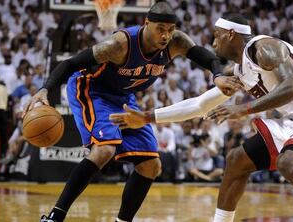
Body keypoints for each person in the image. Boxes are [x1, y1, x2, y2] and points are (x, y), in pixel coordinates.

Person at [111, 13, 293, 222]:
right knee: (236, 160)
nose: (213, 41)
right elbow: (200, 105)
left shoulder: (265, 48)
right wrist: (147, 117)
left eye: (217, 36)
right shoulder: (240, 70)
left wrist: (243, 109)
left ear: (231, 34)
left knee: (288, 162)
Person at [23, 2, 241, 222]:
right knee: (104, 149)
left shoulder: (176, 42)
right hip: (91, 89)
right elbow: (70, 64)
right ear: (147, 24)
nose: (166, 35)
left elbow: (209, 58)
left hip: (123, 97)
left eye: (170, 29)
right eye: (160, 29)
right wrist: (44, 90)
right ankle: (55, 217)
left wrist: (217, 75)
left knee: (151, 166)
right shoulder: (119, 45)